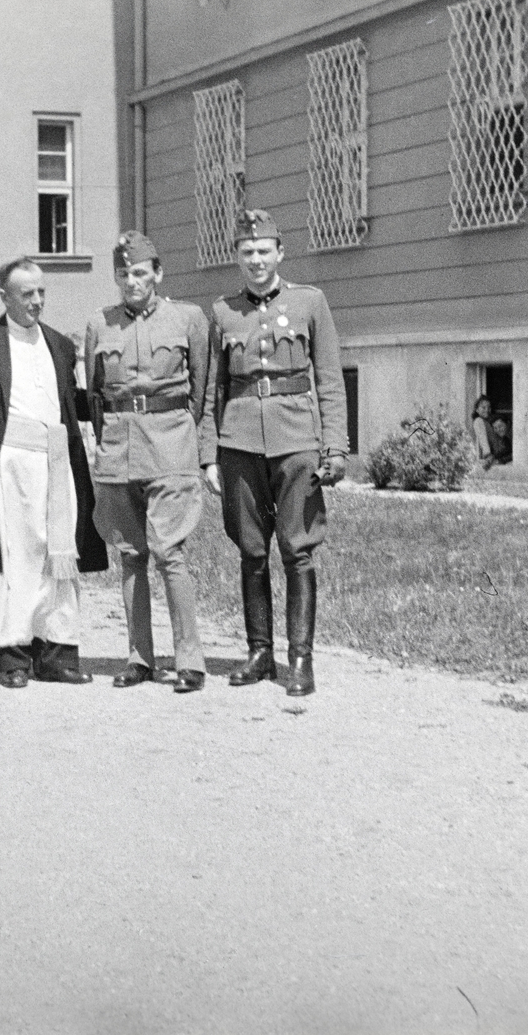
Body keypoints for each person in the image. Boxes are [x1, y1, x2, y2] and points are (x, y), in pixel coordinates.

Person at [203, 209, 349, 697]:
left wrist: (335, 447)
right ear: (238, 258)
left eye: (264, 251)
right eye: (247, 252)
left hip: (296, 442)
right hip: (239, 442)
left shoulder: (311, 302)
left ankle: (300, 659)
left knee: (298, 550)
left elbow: (329, 378)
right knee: (251, 552)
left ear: (280, 253)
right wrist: (209, 454)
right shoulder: (223, 313)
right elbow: (213, 390)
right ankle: (260, 652)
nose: (256, 260)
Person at [0, 258, 110, 688]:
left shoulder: (60, 345)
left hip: (58, 461)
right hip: (12, 462)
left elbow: (73, 401)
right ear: (4, 296)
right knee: (19, 559)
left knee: (59, 557)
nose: (37, 301)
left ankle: (57, 654)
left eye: (41, 292)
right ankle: (14, 658)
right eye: (27, 294)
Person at [85, 231, 215, 694]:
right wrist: (107, 443)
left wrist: (197, 446)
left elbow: (203, 388)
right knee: (131, 555)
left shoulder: (188, 318)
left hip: (171, 445)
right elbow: (98, 393)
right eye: (123, 274)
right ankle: (139, 658)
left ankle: (190, 661)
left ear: (157, 273)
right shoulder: (101, 326)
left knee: (170, 552)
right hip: (120, 448)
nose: (132, 282)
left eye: (140, 273)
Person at [471, 395, 495, 468]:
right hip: (486, 458)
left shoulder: (488, 422)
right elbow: (483, 440)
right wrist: (488, 455)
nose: (487, 410)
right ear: (477, 410)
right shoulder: (478, 421)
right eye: (483, 407)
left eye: (489, 407)